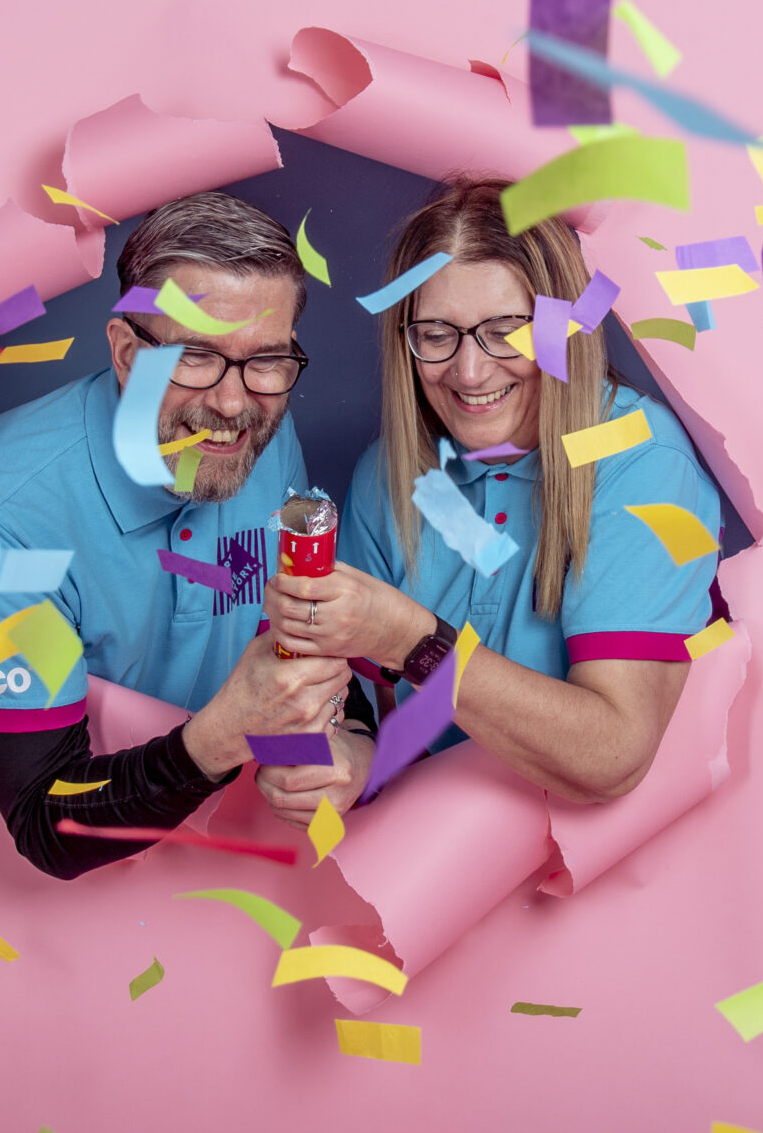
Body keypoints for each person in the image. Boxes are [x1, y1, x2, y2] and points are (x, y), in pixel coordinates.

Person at [0, 192, 368, 878]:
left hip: (234, 877)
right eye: (194, 357)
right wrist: (221, 736)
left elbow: (297, 636)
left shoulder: (263, 436)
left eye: (266, 360)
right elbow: (47, 823)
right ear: (126, 351)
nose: (233, 404)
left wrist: (353, 741)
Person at [258, 177, 720, 826]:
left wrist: (413, 639)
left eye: (506, 331)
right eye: (437, 333)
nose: (469, 372)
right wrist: (358, 758)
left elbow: (615, 753)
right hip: (445, 882)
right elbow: (378, 715)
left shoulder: (639, 461)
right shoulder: (388, 476)